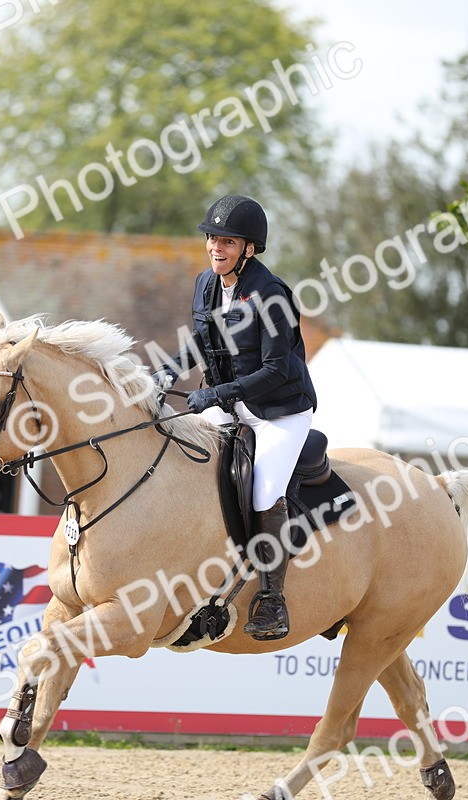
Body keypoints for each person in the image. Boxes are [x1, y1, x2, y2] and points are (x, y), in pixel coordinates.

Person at [154, 194, 317, 641]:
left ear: (249, 248)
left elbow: (277, 369)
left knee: (264, 492)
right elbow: (201, 342)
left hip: (279, 411)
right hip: (229, 405)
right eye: (212, 238)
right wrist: (167, 371)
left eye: (227, 241)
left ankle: (271, 599)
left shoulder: (271, 294)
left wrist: (216, 393)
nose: (215, 247)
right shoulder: (205, 284)